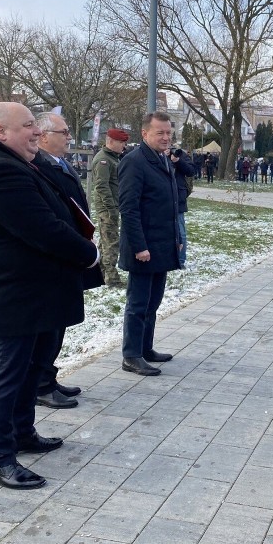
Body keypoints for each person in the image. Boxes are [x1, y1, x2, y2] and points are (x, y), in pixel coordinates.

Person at [0, 102, 99, 490]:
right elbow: (42, 228)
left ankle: (22, 433)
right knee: (6, 378)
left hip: (32, 291)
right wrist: (88, 253)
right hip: (12, 295)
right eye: (28, 127)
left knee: (27, 372)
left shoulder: (16, 161)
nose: (36, 132)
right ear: (0, 131)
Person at [32, 112, 105, 409]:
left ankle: (49, 376)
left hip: (73, 250)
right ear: (44, 135)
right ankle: (41, 384)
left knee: (59, 323)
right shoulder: (38, 166)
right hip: (57, 256)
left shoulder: (59, 163)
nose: (69, 138)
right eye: (63, 132)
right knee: (49, 325)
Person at [118, 111, 179, 377]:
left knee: (153, 302)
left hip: (162, 244)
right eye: (160, 133)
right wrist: (139, 246)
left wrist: (175, 239)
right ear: (145, 134)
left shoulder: (162, 159)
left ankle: (145, 347)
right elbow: (129, 209)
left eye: (168, 133)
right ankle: (131, 355)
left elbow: (170, 204)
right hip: (143, 247)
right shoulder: (135, 161)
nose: (166, 138)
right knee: (138, 303)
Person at [89, 129, 130, 286]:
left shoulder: (112, 158)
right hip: (108, 208)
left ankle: (100, 273)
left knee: (106, 241)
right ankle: (111, 279)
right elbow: (101, 186)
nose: (123, 146)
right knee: (111, 243)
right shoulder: (103, 160)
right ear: (111, 141)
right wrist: (110, 208)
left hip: (113, 206)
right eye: (121, 143)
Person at [171, 147, 195, 267]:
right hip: (161, 199)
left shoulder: (180, 154)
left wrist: (177, 160)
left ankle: (180, 260)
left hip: (178, 198)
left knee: (180, 231)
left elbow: (191, 171)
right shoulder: (156, 153)